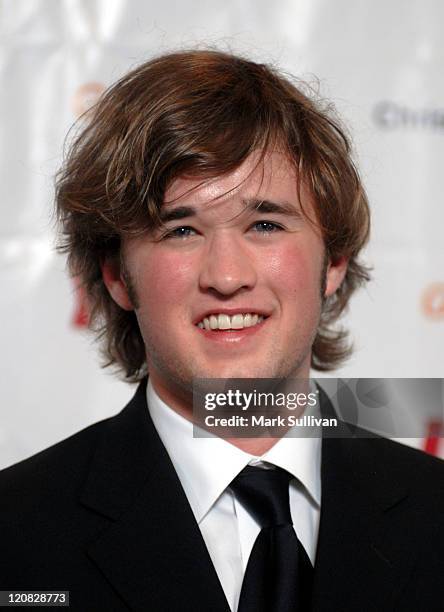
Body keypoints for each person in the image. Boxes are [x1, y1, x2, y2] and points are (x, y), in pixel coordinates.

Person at [1, 49, 443, 612]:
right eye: (182, 230)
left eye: (265, 223)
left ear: (332, 261)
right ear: (117, 275)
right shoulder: (15, 537)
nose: (227, 276)